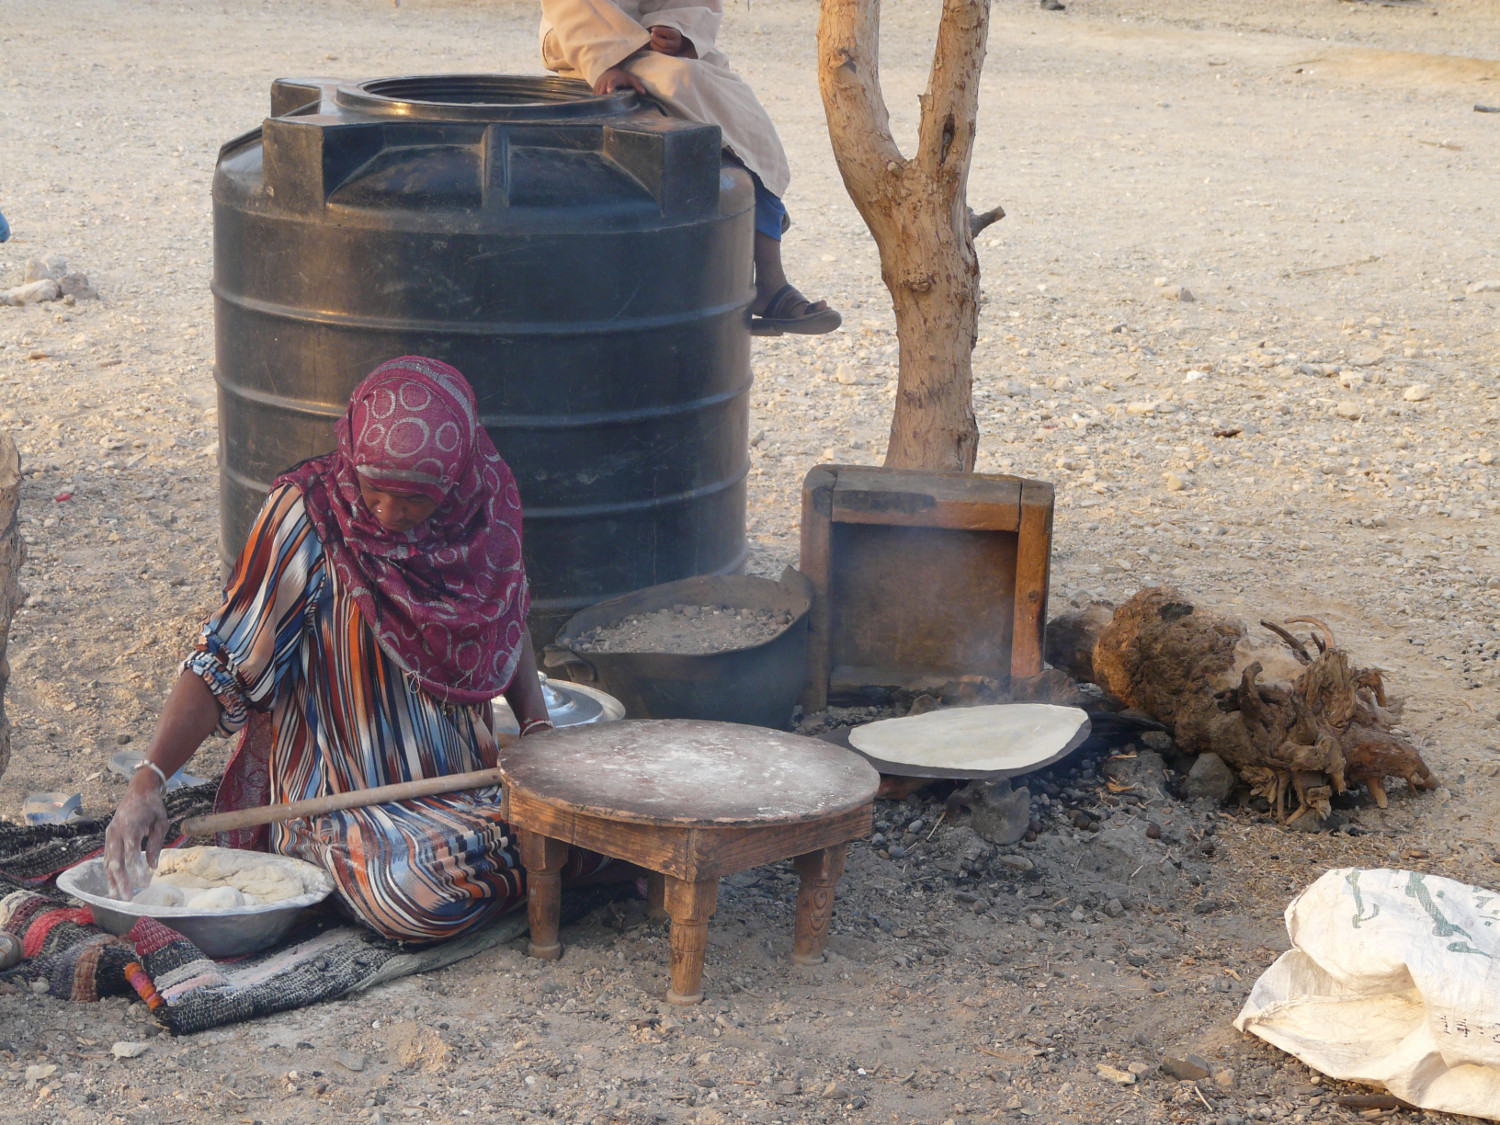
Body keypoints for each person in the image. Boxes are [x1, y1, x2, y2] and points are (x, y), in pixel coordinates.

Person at [103, 356, 610, 943]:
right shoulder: (307, 519)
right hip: (342, 806)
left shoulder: (484, 510)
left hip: (466, 787)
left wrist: (538, 734)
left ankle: (551, 855)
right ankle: (554, 868)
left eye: (416, 500)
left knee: (609, 826)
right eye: (375, 490)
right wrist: (149, 779)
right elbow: (224, 660)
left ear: (456, 482)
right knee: (409, 895)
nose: (390, 513)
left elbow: (506, 617)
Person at [538, 0, 841, 336]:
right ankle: (768, 284)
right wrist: (604, 60)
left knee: (738, 109)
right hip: (587, 42)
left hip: (655, 48)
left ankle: (769, 279)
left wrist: (679, 31)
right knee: (685, 83)